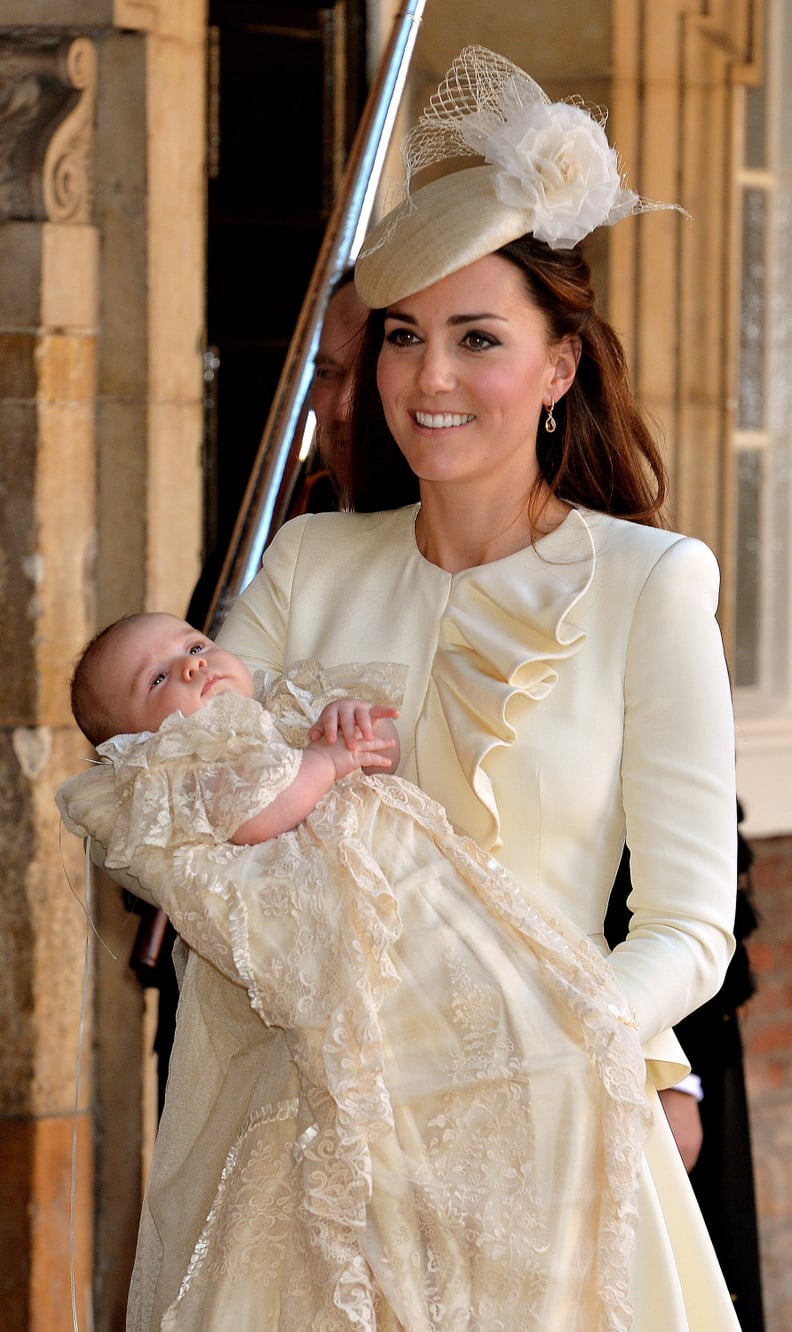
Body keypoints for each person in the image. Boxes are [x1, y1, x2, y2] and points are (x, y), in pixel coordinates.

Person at [211, 44, 741, 1330]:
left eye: (477, 339)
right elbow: (195, 812)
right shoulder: (303, 562)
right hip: (317, 1173)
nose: (428, 379)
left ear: (561, 367)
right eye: (402, 339)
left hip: (555, 1153)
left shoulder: (650, 584)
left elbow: (690, 925)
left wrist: (575, 1044)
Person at [57, 611, 651, 1330]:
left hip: (419, 908)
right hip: (326, 951)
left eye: (195, 645)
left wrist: (348, 730)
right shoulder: (176, 772)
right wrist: (322, 764)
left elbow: (383, 749)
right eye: (157, 678)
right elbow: (252, 813)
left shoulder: (279, 705)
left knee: (518, 1044)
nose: (191, 666)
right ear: (133, 740)